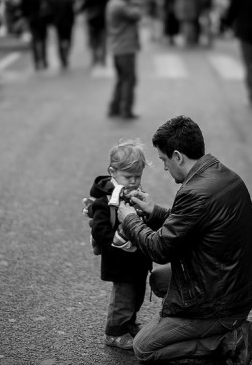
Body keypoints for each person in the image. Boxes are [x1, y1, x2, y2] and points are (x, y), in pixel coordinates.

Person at [115, 115, 252, 364]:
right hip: (235, 288)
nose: (164, 167)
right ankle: (212, 329)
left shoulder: (194, 193)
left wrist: (129, 219)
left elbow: (160, 249)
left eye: (164, 160)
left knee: (143, 348)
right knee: (159, 280)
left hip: (221, 303)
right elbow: (190, 225)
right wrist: (153, 211)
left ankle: (227, 339)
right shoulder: (224, 176)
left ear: (178, 156)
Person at [88, 139, 153, 351]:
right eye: (128, 176)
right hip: (119, 260)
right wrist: (118, 237)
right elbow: (100, 231)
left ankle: (129, 323)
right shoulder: (106, 201)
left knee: (136, 295)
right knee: (123, 298)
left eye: (137, 176)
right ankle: (114, 333)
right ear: (112, 172)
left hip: (138, 258)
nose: (133, 181)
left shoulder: (135, 193)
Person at [106, 0, 141, 120]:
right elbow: (136, 14)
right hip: (124, 47)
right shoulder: (120, 5)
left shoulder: (114, 2)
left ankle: (114, 108)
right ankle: (126, 109)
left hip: (118, 46)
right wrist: (134, 2)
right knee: (129, 79)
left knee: (121, 79)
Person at [79, 0, 115, 66]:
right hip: (105, 14)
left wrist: (80, 9)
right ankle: (103, 58)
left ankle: (95, 57)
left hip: (93, 15)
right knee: (103, 37)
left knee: (94, 37)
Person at [20, 0, 52, 70]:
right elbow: (49, 4)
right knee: (43, 39)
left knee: (35, 40)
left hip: (32, 18)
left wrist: (25, 17)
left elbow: (23, 6)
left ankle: (36, 61)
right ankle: (44, 59)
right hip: (43, 18)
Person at [50, 0, 75, 69]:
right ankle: (66, 55)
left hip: (59, 23)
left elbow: (52, 12)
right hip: (68, 23)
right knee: (68, 40)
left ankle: (62, 57)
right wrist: (72, 21)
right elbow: (71, 13)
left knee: (60, 40)